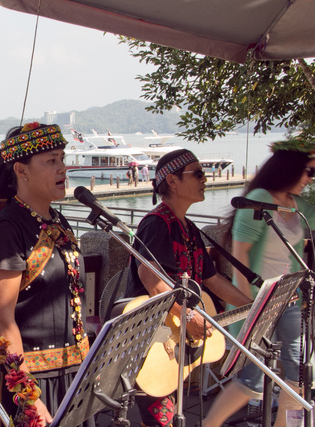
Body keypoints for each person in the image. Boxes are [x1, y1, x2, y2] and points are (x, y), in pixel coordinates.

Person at [125, 149, 251, 427]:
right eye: (198, 174)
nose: (206, 179)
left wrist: (252, 308)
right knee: (162, 420)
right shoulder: (156, 225)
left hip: (174, 339)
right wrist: (189, 316)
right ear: (172, 180)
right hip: (150, 339)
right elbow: (152, 280)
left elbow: (213, 281)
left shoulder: (190, 229)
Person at [0, 123, 92, 427]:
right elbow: (1, 320)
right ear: (21, 171)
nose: (62, 168)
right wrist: (29, 394)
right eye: (51, 161)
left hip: (72, 374)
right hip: (31, 380)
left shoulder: (56, 218)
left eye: (62, 159)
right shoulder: (7, 230)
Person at [203, 139, 315, 427]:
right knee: (251, 378)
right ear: (290, 169)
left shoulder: (298, 204)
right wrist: (250, 307)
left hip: (289, 300)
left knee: (298, 373)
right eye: (307, 172)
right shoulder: (258, 200)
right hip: (256, 301)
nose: (309, 179)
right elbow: (240, 258)